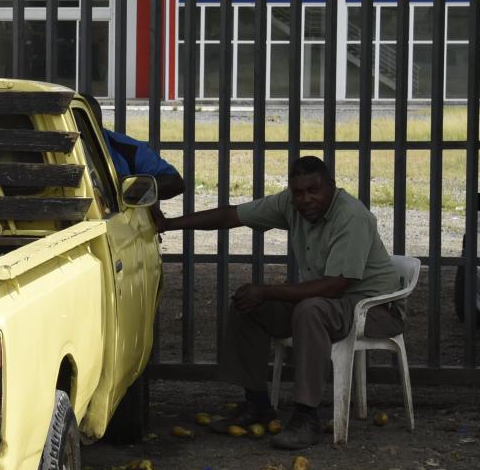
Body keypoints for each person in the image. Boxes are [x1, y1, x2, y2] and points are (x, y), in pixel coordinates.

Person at [153, 155, 403, 451]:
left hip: (371, 308)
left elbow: (335, 286)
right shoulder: (290, 204)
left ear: (332, 187)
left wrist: (268, 291)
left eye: (314, 191)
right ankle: (256, 403)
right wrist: (169, 223)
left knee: (310, 310)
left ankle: (307, 416)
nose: (306, 199)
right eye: (299, 192)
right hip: (328, 303)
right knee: (248, 303)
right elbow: (232, 216)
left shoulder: (352, 217)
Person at [81, 94, 184, 200]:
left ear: (99, 125)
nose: (78, 137)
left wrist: (126, 189)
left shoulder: (125, 148)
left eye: (85, 127)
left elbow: (175, 182)